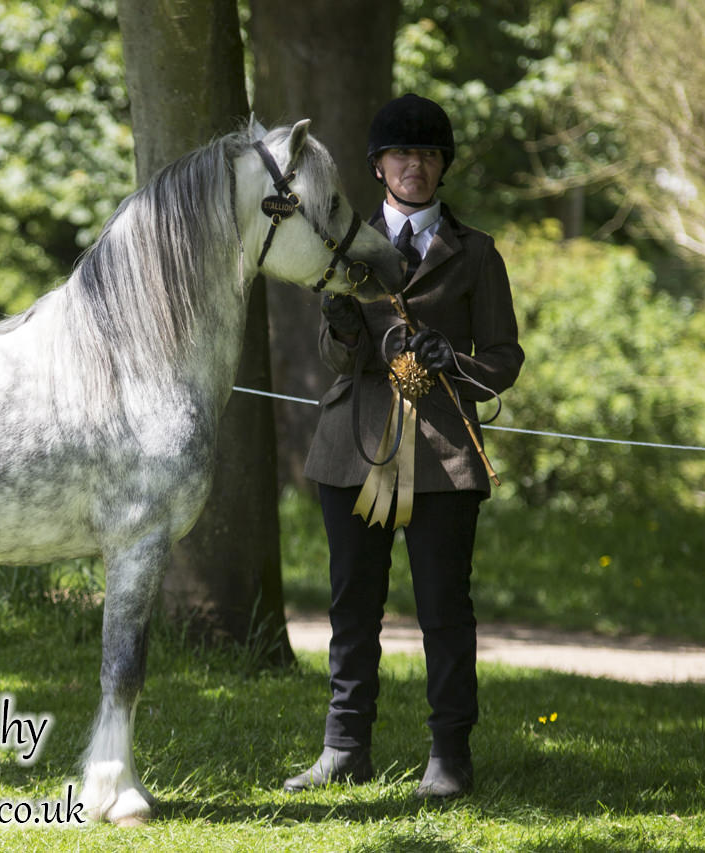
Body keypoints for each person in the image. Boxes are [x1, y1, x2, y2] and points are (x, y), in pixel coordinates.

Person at [284, 93, 524, 799]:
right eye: (400, 153)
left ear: (441, 164)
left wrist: (455, 359)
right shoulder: (348, 244)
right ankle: (343, 745)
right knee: (351, 605)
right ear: (379, 166)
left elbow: (505, 357)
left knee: (444, 609)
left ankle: (450, 753)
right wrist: (344, 327)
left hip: (445, 455)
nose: (413, 164)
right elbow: (336, 359)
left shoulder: (477, 253)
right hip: (352, 446)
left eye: (425, 153)